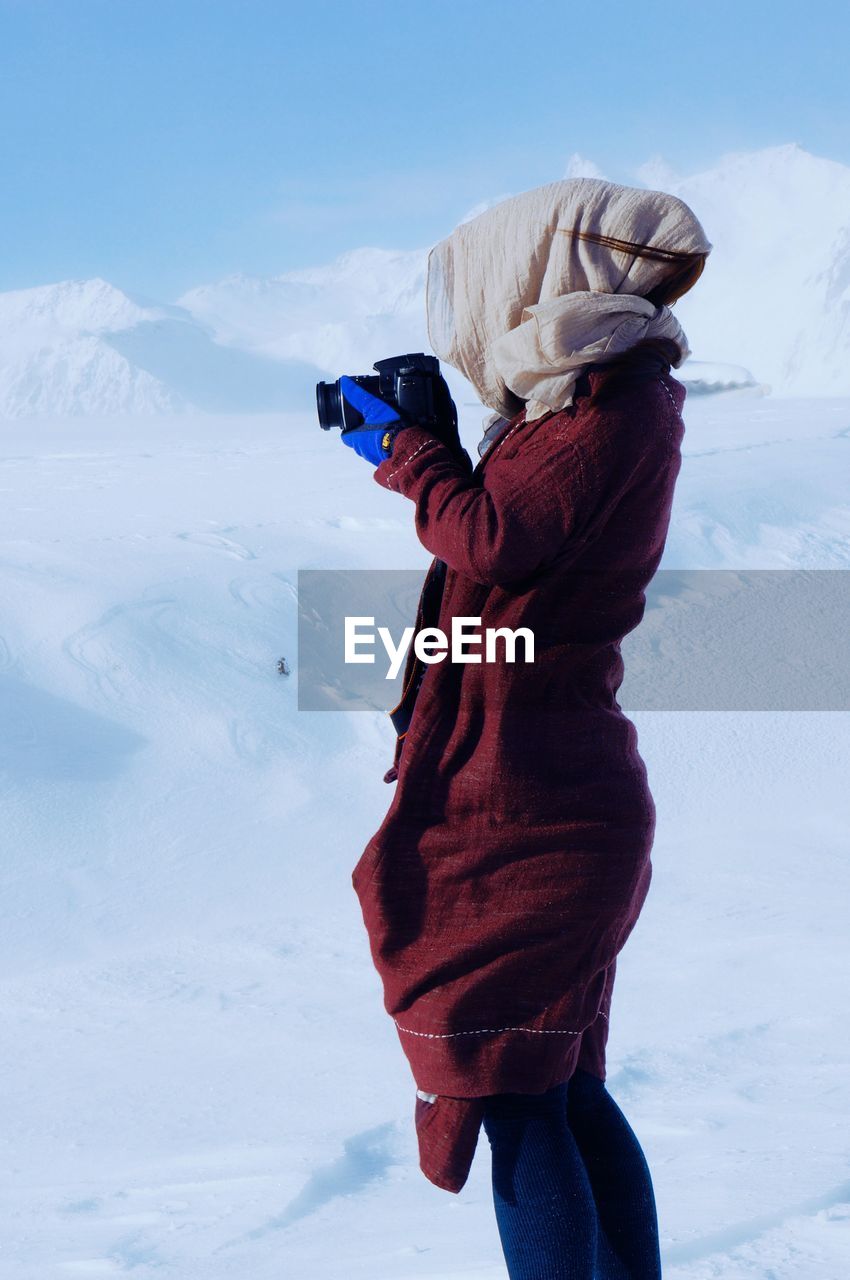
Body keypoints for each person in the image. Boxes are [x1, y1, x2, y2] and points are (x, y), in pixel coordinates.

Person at [340, 178, 711, 1280]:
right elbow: (509, 581)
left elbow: (494, 542)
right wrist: (435, 441)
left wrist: (413, 452)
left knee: (517, 1093)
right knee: (557, 1085)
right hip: (536, 781)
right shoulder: (588, 400)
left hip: (534, 806)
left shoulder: (609, 406)